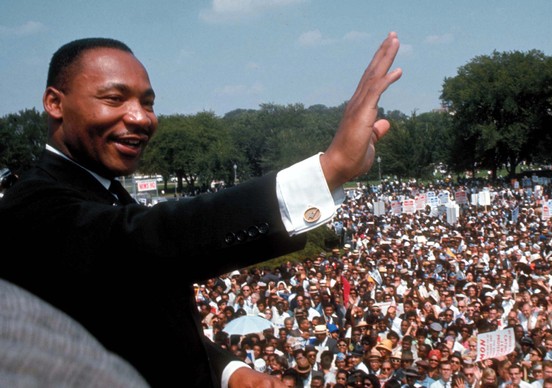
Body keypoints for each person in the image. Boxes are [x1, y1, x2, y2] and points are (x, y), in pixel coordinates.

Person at [0, 32, 402, 388]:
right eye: (114, 98)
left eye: (148, 102)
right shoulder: (33, 207)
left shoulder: (105, 195)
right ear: (55, 103)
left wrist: (228, 371)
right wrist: (328, 170)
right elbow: (152, 240)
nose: (140, 117)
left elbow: (142, 328)